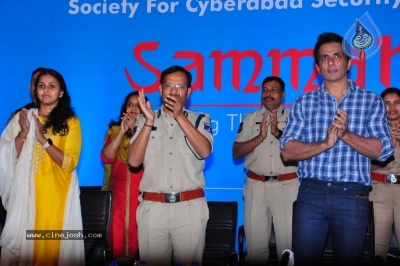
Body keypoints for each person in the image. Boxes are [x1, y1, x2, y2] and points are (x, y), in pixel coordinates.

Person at [280, 32, 394, 266]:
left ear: (349, 62)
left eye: (336, 56)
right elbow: (287, 151)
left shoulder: (370, 101)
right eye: (324, 58)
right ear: (317, 66)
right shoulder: (304, 102)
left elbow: (382, 149)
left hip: (352, 195)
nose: (331, 62)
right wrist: (325, 143)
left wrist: (346, 135)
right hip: (311, 193)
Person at [128, 65, 213, 266]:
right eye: (169, 86)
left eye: (180, 86)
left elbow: (205, 151)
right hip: (153, 208)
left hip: (189, 208)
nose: (174, 91)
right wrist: (148, 121)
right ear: (160, 90)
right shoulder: (144, 119)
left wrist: (179, 116)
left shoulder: (200, 119)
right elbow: (133, 161)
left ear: (188, 92)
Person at [0, 68, 84, 265]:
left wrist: (43, 140)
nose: (46, 90)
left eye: (52, 86)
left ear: (61, 92)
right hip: (25, 195)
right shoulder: (22, 118)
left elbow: (70, 162)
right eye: (41, 86)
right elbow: (4, 154)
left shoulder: (71, 122)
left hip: (55, 197)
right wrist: (22, 134)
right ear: (35, 91)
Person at [232, 76, 298, 265]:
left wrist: (278, 134)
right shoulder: (250, 118)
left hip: (287, 186)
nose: (268, 93)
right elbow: (236, 152)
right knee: (255, 249)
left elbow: (300, 151)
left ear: (283, 95)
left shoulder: (295, 118)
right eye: (265, 89)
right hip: (256, 186)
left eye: (273, 90)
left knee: (288, 248)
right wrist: (260, 137)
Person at [101, 91, 148, 259]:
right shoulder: (114, 131)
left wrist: (137, 130)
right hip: (117, 200)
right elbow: (106, 158)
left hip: (142, 199)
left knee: (142, 245)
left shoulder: (151, 132)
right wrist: (122, 132)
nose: (134, 108)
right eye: (130, 104)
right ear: (124, 109)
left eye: (138, 105)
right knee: (115, 242)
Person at [370, 87, 400, 262]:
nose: (392, 107)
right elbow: (368, 168)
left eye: (397, 102)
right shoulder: (373, 130)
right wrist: (388, 148)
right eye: (386, 103)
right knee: (377, 247)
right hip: (379, 190)